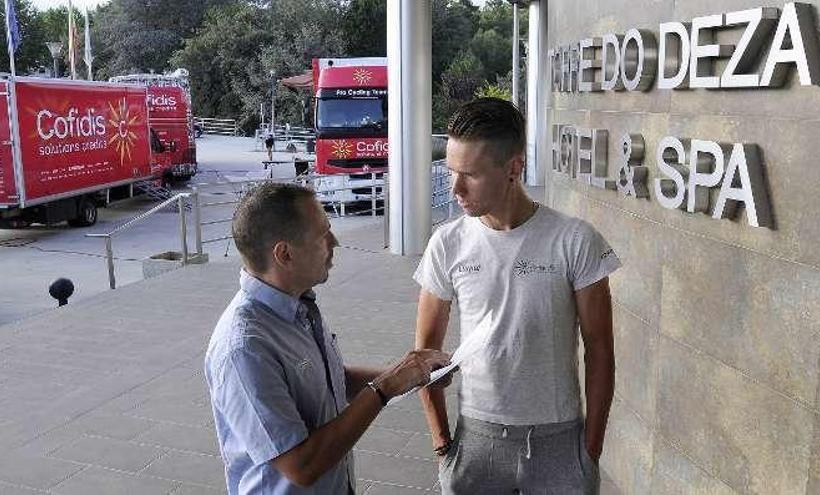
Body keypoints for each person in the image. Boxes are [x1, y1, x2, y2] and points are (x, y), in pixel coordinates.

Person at [414, 98, 621, 494]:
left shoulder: (574, 241)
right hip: (475, 439)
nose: (454, 188)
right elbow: (424, 351)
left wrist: (590, 451)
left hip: (559, 442)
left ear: (513, 168)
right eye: (451, 171)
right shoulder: (447, 243)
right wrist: (443, 445)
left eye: (469, 175)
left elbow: (600, 351)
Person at [205, 183, 450, 494]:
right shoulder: (244, 348)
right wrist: (386, 387)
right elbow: (302, 466)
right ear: (285, 254)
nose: (334, 241)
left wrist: (415, 376)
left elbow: (334, 380)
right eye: (323, 234)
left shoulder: (297, 304)